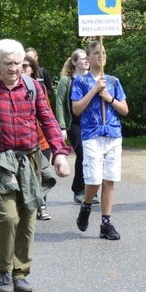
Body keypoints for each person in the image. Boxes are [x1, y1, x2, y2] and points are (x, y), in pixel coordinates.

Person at [0, 39, 70, 292]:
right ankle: (4, 271)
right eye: (7, 63)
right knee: (8, 216)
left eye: (17, 63)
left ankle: (21, 272)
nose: (13, 68)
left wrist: (59, 153)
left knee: (28, 214)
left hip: (29, 158)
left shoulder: (32, 87)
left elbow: (49, 120)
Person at [72, 40, 128, 240]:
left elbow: (125, 109)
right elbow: (77, 109)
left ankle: (106, 223)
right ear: (88, 58)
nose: (101, 56)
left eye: (103, 52)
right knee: (94, 179)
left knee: (109, 179)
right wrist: (94, 90)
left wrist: (109, 98)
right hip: (92, 134)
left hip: (112, 133)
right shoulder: (81, 81)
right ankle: (86, 205)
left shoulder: (113, 81)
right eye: (96, 53)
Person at [55, 48, 91, 204]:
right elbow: (60, 102)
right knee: (82, 153)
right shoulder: (66, 80)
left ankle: (90, 190)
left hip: (91, 123)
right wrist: (62, 126)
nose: (86, 61)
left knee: (92, 156)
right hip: (74, 124)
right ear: (75, 62)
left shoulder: (92, 78)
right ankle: (78, 190)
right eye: (83, 58)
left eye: (87, 58)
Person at [22, 55, 53, 221]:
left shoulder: (38, 87)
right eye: (21, 65)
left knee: (41, 173)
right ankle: (30, 205)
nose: (22, 68)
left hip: (41, 139)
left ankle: (42, 205)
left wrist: (56, 137)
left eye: (26, 66)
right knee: (29, 175)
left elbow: (47, 114)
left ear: (33, 69)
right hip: (22, 140)